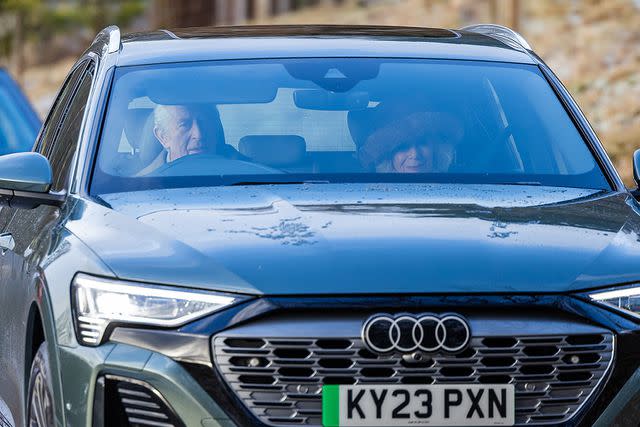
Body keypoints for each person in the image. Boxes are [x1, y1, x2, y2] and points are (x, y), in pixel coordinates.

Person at [137, 103, 237, 175]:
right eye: (184, 125)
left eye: (204, 122)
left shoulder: (249, 173)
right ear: (163, 136)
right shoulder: (139, 187)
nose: (199, 135)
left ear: (215, 128)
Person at [358, 111, 461, 173]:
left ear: (435, 148)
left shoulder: (457, 184)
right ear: (388, 155)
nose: (415, 154)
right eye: (402, 146)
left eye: (422, 143)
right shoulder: (372, 190)